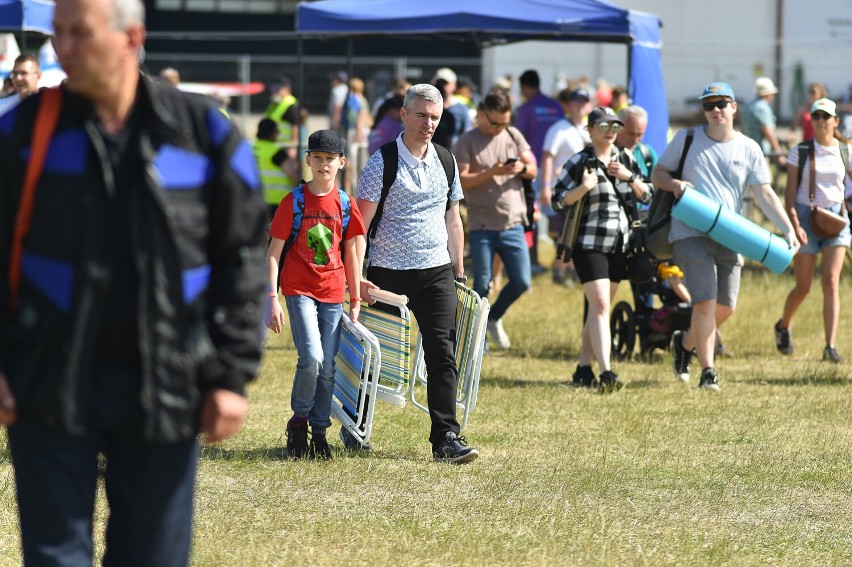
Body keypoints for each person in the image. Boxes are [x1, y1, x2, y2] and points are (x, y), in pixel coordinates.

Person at [0, 0, 268, 565]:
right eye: (58, 34)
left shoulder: (203, 133)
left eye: (80, 33)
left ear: (131, 37)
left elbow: (240, 255)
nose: (62, 49)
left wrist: (230, 374)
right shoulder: (22, 132)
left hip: (167, 386)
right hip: (46, 382)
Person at [356, 83, 479, 464]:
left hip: (436, 271)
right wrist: (355, 277)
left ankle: (446, 437)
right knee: (373, 356)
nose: (428, 123)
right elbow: (360, 225)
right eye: (422, 115)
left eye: (435, 117)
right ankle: (354, 424)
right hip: (386, 273)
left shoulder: (446, 159)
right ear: (404, 115)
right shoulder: (382, 161)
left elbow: (453, 219)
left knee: (443, 353)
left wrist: (458, 272)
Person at [651, 82, 799, 391]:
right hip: (690, 230)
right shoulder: (686, 138)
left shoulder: (749, 147)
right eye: (709, 105)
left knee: (726, 306)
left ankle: (684, 344)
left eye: (722, 103)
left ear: (734, 107)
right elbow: (657, 174)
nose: (716, 110)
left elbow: (764, 192)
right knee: (705, 301)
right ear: (704, 111)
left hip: (731, 233)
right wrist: (675, 184)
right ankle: (708, 373)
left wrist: (787, 229)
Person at [266, 129, 367, 460]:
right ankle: (299, 422)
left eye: (330, 159)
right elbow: (273, 253)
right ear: (308, 160)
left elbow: (352, 252)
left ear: (342, 162)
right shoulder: (292, 202)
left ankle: (319, 433)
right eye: (318, 158)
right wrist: (271, 298)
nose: (323, 165)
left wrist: (355, 298)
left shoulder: (346, 204)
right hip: (298, 290)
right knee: (312, 358)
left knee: (328, 368)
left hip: (333, 292)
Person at [551, 107, 651, 392]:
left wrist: (630, 178)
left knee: (599, 310)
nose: (610, 131)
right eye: (604, 125)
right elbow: (557, 201)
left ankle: (583, 368)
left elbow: (649, 193)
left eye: (615, 126)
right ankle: (607, 372)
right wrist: (584, 187)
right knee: (602, 306)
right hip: (588, 244)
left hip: (620, 244)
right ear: (590, 129)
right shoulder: (580, 162)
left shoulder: (626, 157)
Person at [454, 90, 537, 350]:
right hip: (481, 225)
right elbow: (463, 180)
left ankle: (493, 317)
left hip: (513, 222)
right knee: (482, 282)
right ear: (481, 115)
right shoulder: (467, 142)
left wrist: (520, 169)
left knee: (522, 281)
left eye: (504, 122)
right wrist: (494, 171)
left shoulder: (513, 135)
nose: (499, 128)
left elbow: (533, 168)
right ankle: (475, 338)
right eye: (494, 123)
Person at [775, 98, 852, 363]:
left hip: (836, 219)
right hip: (806, 219)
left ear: (835, 121)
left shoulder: (846, 151)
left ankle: (830, 346)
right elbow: (789, 193)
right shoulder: (801, 150)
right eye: (816, 116)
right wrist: (795, 224)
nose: (820, 121)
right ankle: (783, 325)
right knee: (804, 286)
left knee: (831, 281)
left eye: (825, 116)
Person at [541, 87, 593, 285]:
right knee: (566, 234)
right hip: (561, 190)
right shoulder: (558, 128)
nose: (580, 106)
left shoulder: (590, 128)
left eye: (584, 101)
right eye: (577, 101)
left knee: (576, 233)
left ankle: (570, 270)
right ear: (569, 105)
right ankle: (560, 271)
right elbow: (547, 158)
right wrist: (546, 185)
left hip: (584, 190)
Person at [514, 69, 563, 276]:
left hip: (532, 169)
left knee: (531, 215)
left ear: (525, 86)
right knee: (556, 216)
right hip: (554, 168)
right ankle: (560, 261)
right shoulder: (555, 106)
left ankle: (533, 262)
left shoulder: (525, 109)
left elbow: (517, 139)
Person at [253, 118, 300, 220]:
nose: (278, 134)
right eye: (277, 131)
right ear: (272, 134)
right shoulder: (276, 152)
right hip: (278, 202)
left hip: (256, 200)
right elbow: (292, 173)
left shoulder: (251, 148)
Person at [742, 77, 786, 165]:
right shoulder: (762, 108)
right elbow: (768, 131)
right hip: (760, 152)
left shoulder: (749, 105)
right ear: (768, 93)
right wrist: (779, 153)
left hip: (747, 150)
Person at [616, 105, 658, 184]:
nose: (635, 140)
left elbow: (657, 185)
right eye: (631, 134)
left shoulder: (647, 153)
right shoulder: (606, 150)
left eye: (640, 135)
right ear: (619, 128)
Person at [263, 75, 301, 153]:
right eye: (273, 88)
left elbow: (295, 126)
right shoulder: (275, 103)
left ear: (288, 90)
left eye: (277, 88)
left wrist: (293, 148)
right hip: (274, 145)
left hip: (286, 147)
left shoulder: (291, 105)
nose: (274, 91)